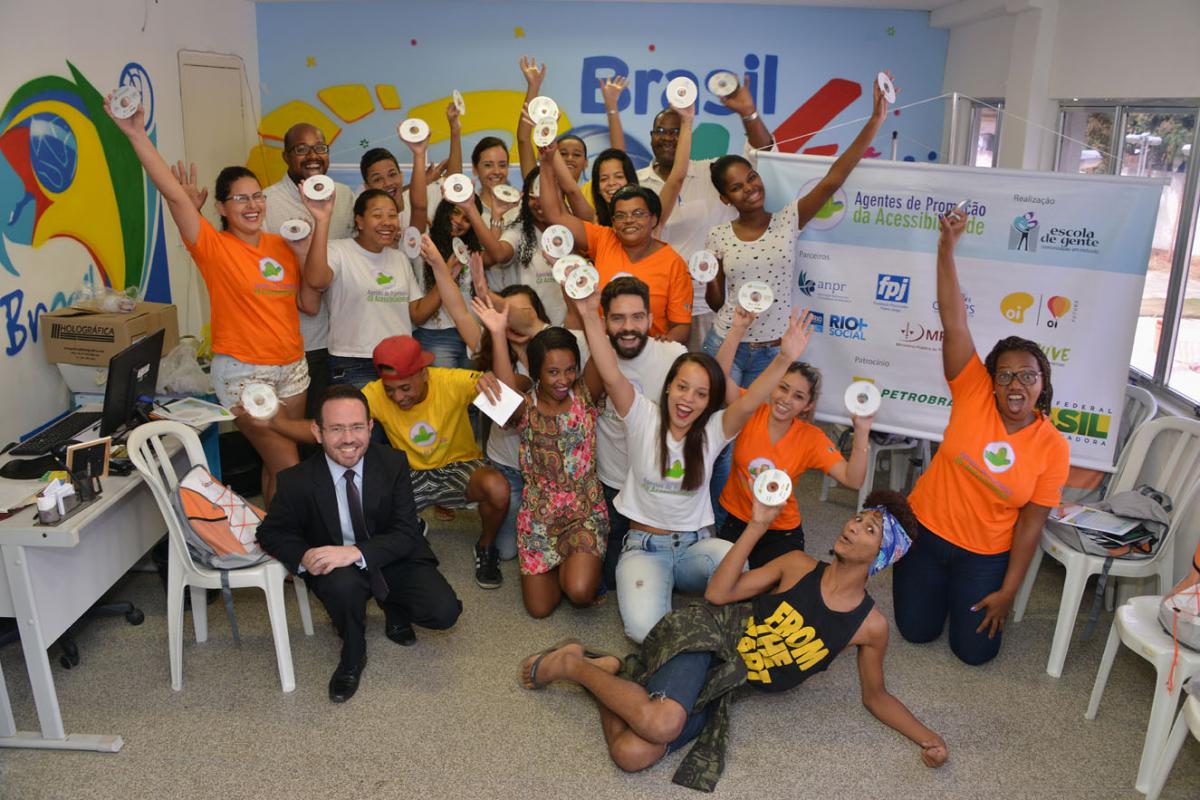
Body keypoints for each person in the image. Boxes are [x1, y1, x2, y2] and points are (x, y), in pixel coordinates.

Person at [519, 490, 947, 791]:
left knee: (633, 754)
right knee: (662, 723)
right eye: (857, 518)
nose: (854, 527)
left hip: (725, 683)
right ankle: (571, 665)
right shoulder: (798, 565)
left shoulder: (869, 627)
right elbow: (717, 594)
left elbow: (876, 696)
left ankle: (602, 671)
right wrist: (757, 527)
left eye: (870, 529)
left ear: (883, 556)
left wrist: (929, 737)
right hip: (708, 635)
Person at [575, 285, 813, 642]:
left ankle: (700, 616)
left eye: (701, 394)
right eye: (683, 388)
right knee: (642, 631)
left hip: (694, 548)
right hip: (644, 547)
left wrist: (783, 359)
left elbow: (749, 405)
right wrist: (591, 315)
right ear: (669, 387)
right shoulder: (642, 415)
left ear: (709, 401)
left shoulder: (714, 430)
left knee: (733, 562)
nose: (689, 400)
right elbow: (610, 373)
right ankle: (694, 624)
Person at [106, 96, 309, 508]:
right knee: (291, 471)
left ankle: (276, 557)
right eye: (240, 199)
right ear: (221, 207)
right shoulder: (213, 247)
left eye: (257, 197)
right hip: (245, 374)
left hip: (293, 368)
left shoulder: (281, 244)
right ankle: (292, 550)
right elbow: (174, 196)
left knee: (275, 466)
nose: (252, 205)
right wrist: (135, 133)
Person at [892, 209, 1070, 666]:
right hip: (925, 532)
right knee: (915, 633)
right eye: (1005, 375)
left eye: (1027, 376)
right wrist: (945, 248)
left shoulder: (1053, 446)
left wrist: (1007, 592)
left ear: (1042, 384)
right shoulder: (971, 390)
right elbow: (954, 321)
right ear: (989, 380)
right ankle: (936, 591)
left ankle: (960, 595)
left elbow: (1031, 525)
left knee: (975, 653)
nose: (1015, 384)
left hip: (984, 555)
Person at [256, 385, 460, 703]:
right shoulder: (296, 479)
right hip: (338, 568)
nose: (348, 439)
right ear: (317, 432)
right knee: (342, 588)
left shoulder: (393, 463)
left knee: (444, 611)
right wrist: (304, 555)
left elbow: (407, 532)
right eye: (336, 429)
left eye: (356, 427)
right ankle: (353, 651)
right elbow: (270, 532)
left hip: (390, 553)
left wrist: (357, 552)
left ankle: (393, 606)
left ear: (370, 427)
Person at [702, 73, 893, 386]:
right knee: (726, 431)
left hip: (772, 353)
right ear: (725, 198)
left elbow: (833, 179)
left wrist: (875, 120)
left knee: (759, 433)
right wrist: (708, 278)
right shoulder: (718, 235)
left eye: (751, 177)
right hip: (726, 344)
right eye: (737, 187)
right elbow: (715, 303)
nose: (750, 188)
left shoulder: (788, 220)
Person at [713, 306, 873, 568]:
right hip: (736, 520)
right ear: (773, 386)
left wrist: (863, 431)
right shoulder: (751, 410)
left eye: (798, 396)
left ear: (808, 405)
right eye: (783, 388)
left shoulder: (811, 438)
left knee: (775, 598)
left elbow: (853, 479)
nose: (786, 400)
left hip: (781, 531)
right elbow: (719, 381)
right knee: (724, 585)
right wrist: (737, 330)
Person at [476, 301, 607, 617]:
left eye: (569, 369)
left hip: (584, 509)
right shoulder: (525, 407)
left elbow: (604, 356)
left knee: (578, 591)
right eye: (552, 372)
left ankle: (579, 565)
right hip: (539, 514)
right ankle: (569, 562)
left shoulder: (585, 393)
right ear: (535, 373)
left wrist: (590, 311)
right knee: (539, 609)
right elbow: (505, 393)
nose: (563, 379)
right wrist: (497, 333)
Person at [637, 75, 775, 351]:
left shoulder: (712, 173)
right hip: (652, 307)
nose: (667, 138)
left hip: (706, 308)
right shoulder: (636, 184)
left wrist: (749, 113)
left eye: (676, 132)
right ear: (651, 136)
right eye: (661, 131)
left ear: (688, 134)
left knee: (706, 389)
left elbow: (764, 154)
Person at [362, 331, 510, 589]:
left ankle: (486, 547)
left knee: (497, 487)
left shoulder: (450, 380)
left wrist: (495, 380)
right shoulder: (373, 394)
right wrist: (278, 423)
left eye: (405, 388)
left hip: (459, 466)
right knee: (368, 497)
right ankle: (412, 524)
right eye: (390, 390)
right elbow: (335, 420)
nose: (398, 397)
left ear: (424, 373)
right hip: (409, 472)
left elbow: (510, 398)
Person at [582, 277, 686, 592]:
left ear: (651, 319)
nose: (629, 327)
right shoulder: (596, 357)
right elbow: (585, 405)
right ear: (604, 322)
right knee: (609, 580)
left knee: (666, 577)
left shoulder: (674, 356)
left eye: (637, 317)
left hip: (656, 486)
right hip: (611, 483)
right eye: (618, 318)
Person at [541, 146, 693, 345]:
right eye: (620, 216)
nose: (629, 220)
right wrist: (545, 163)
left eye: (638, 214)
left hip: (649, 358)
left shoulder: (674, 263)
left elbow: (681, 327)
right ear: (613, 222)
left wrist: (656, 352)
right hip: (603, 350)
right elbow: (555, 215)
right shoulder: (603, 238)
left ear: (654, 219)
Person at [301, 184, 442, 388]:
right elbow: (315, 280)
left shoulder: (399, 258)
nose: (387, 222)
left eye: (392, 216)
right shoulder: (338, 251)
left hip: (401, 363)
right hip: (354, 362)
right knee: (362, 420)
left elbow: (417, 314)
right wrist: (322, 221)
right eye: (377, 215)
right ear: (359, 221)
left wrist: (447, 275)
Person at [262, 123, 357, 418]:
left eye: (320, 148)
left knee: (342, 426)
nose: (313, 156)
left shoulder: (344, 196)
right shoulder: (267, 203)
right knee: (306, 431)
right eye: (301, 150)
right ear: (286, 156)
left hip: (346, 339)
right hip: (302, 341)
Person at [359, 98, 463, 223]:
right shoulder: (365, 219)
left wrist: (455, 130)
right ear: (367, 187)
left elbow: (453, 181)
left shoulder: (419, 197)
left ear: (401, 175)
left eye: (392, 174)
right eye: (377, 179)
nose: (387, 183)